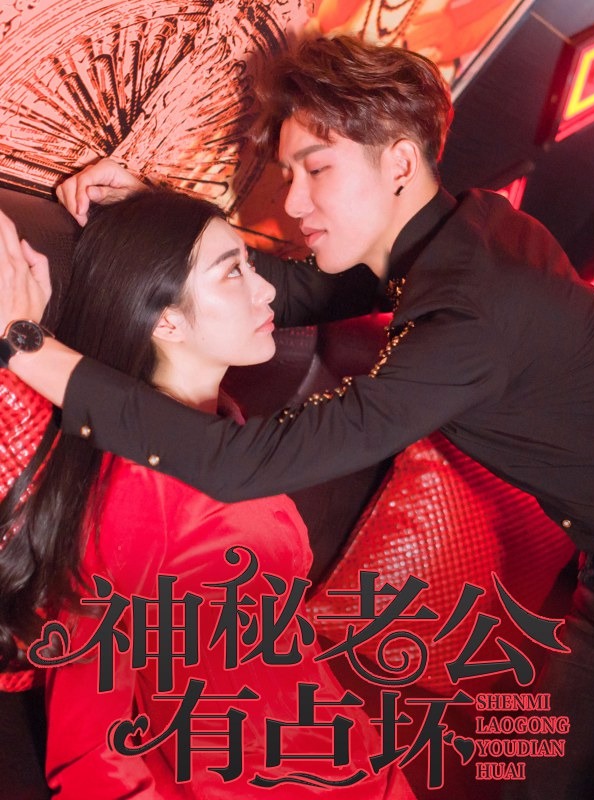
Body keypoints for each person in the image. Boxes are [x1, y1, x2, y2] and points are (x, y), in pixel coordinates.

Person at [1, 34, 594, 799]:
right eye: (289, 173)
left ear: (400, 163)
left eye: (317, 170)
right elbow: (291, 292)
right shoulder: (468, 234)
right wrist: (152, 209)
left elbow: (246, 463)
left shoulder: (473, 311)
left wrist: (23, 343)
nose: (291, 203)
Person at [0, 190, 411, 799]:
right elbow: (91, 750)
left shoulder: (226, 427)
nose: (267, 290)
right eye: (233, 272)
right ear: (165, 320)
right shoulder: (136, 488)